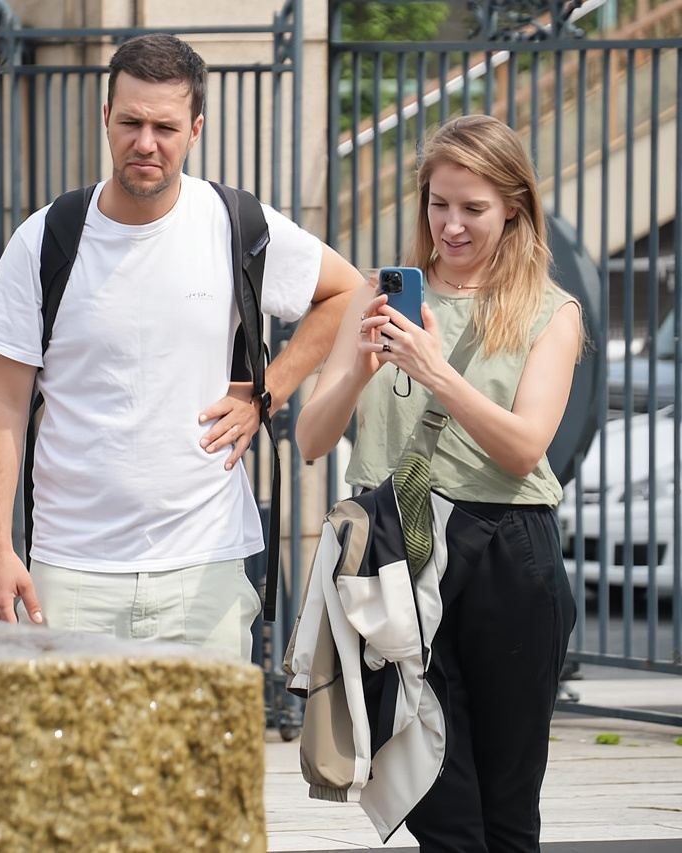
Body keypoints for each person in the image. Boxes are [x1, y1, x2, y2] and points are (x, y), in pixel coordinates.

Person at [0, 33, 361, 660]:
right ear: (106, 118)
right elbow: (2, 406)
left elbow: (346, 294)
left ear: (195, 129)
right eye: (129, 122)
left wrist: (269, 391)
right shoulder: (45, 239)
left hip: (206, 566)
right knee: (74, 763)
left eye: (164, 126)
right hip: (71, 570)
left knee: (205, 762)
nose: (145, 142)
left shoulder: (235, 223)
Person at [296, 114, 580, 849]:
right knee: (430, 794)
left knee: (508, 801)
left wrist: (435, 371)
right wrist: (359, 366)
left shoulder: (550, 311)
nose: (451, 225)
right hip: (395, 550)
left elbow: (524, 449)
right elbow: (311, 438)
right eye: (438, 203)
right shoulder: (373, 295)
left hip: (504, 548)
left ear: (514, 206)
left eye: (473, 208)